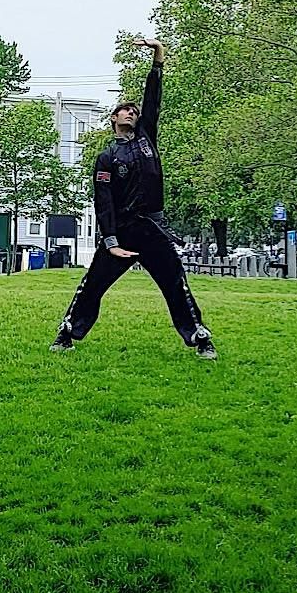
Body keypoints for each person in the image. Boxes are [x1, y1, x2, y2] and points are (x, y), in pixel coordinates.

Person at [49, 37, 216, 360]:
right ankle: (67, 333)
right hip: (122, 232)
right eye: (125, 110)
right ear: (114, 118)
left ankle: (199, 337)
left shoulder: (146, 140)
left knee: (176, 285)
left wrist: (158, 57)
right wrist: (110, 240)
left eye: (135, 111)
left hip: (152, 230)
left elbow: (153, 98)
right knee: (93, 285)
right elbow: (104, 202)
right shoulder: (107, 157)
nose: (132, 112)